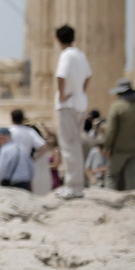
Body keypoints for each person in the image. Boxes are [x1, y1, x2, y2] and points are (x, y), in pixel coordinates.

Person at [54, 25, 92, 199]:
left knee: (69, 146)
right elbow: (89, 75)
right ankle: (77, 185)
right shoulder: (80, 54)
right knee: (75, 144)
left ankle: (73, 186)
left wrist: (62, 95)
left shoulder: (66, 54)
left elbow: (60, 76)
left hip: (68, 105)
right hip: (80, 103)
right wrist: (80, 91)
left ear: (58, 39)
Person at [100, 79, 135, 191]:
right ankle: (132, 204)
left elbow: (111, 130)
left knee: (111, 175)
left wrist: (108, 147)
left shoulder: (117, 107)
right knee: (131, 178)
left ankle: (110, 201)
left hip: (119, 149)